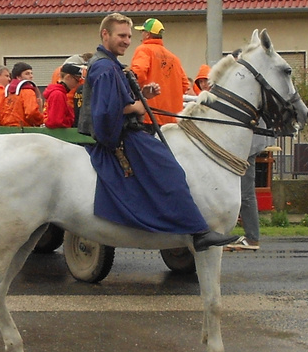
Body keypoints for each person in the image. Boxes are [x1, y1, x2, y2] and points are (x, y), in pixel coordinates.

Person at [86, 13, 237, 249]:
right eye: (122, 36)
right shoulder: (106, 67)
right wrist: (137, 105)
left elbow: (120, 96)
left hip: (148, 122)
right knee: (170, 170)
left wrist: (142, 96)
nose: (127, 40)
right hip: (127, 134)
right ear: (105, 34)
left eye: (129, 36)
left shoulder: (113, 64)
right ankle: (197, 233)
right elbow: (107, 110)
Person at [128, 18, 191, 125]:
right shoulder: (174, 58)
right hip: (173, 119)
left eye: (142, 31)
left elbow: (137, 76)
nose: (141, 34)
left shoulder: (144, 49)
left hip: (149, 117)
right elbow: (185, 86)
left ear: (147, 34)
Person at [0, 61, 44, 127]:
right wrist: (40, 120)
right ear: (18, 77)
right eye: (27, 74)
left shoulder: (7, 91)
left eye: (31, 73)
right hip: (23, 130)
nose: (31, 76)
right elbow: (31, 112)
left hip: (7, 129)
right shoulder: (28, 91)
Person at [44, 62, 83, 128]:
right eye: (77, 80)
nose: (78, 84)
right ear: (68, 77)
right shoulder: (58, 94)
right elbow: (55, 122)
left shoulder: (59, 93)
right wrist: (71, 121)